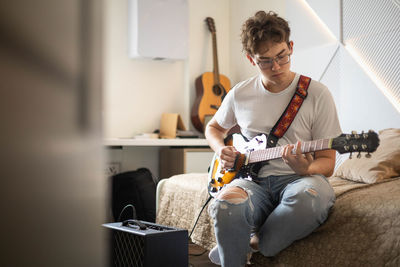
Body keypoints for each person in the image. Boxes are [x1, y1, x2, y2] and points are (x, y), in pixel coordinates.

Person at [204, 10, 342, 267]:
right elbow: (213, 128)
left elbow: (329, 162)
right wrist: (221, 149)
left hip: (300, 180)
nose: (276, 67)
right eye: (265, 61)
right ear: (250, 59)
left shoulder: (317, 94)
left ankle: (255, 244)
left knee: (311, 200)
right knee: (224, 206)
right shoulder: (240, 94)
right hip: (251, 181)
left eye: (282, 56)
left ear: (291, 47)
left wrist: (307, 167)